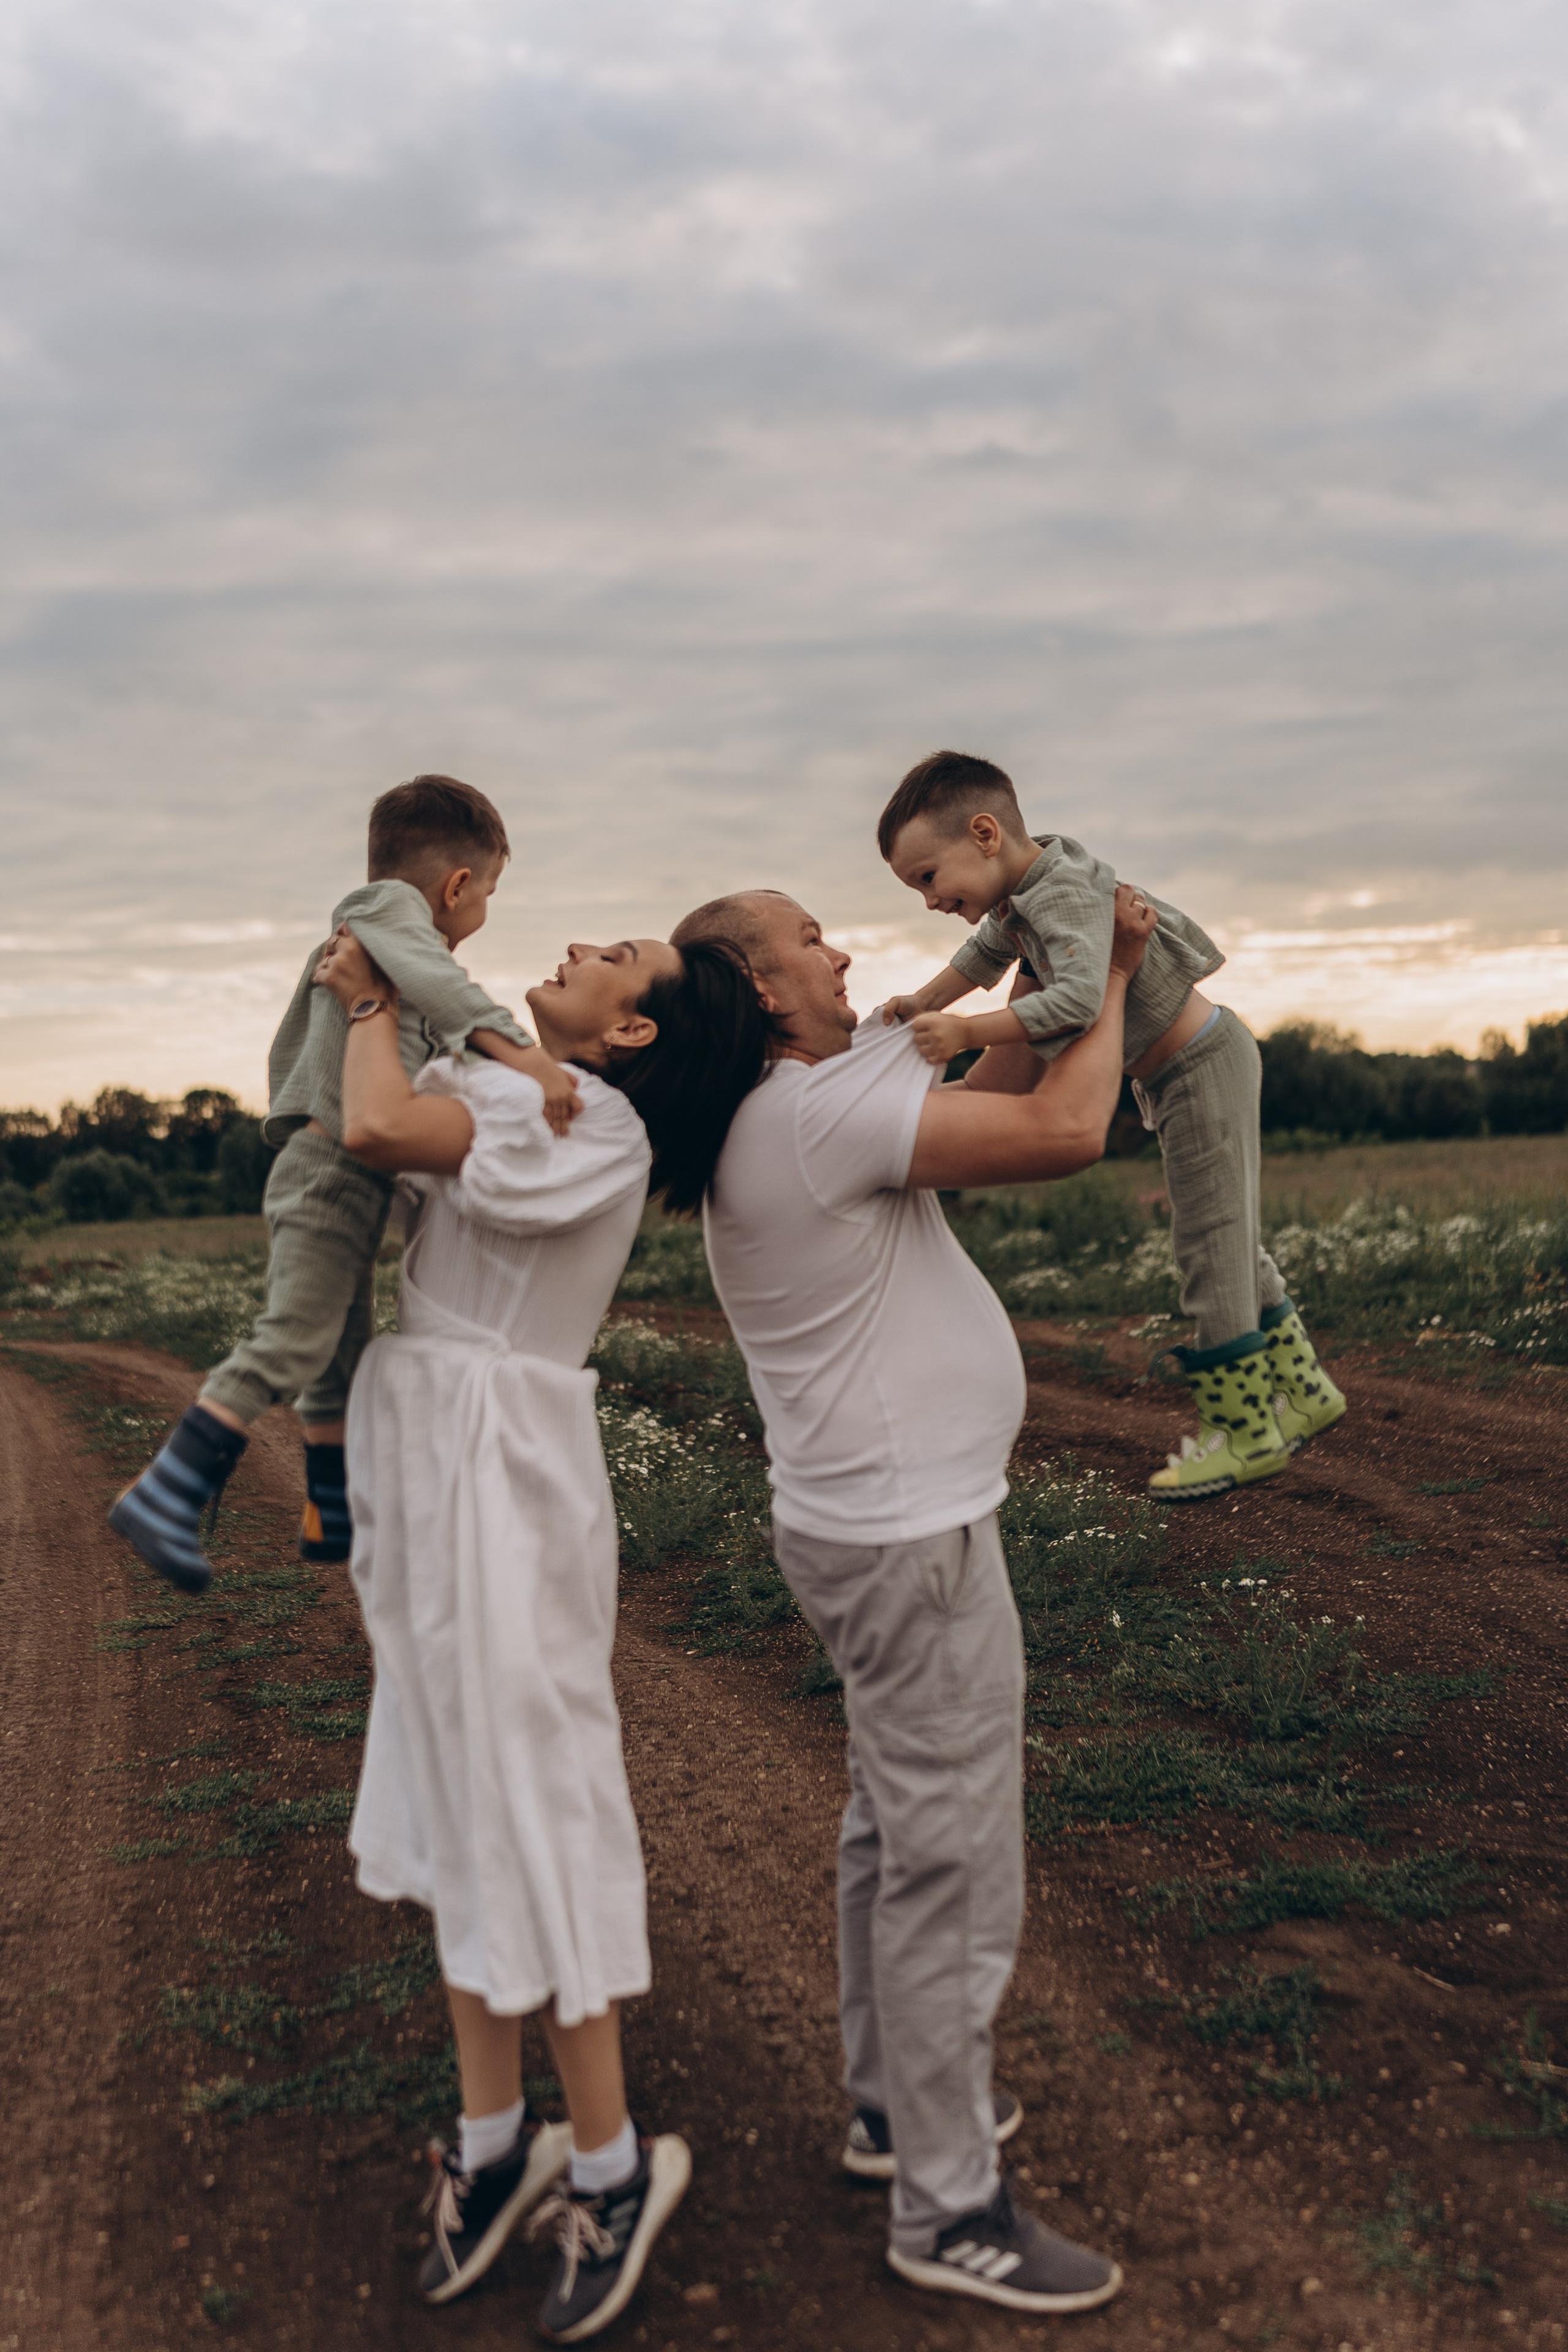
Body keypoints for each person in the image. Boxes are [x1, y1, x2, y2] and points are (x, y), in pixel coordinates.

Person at [668, 881, 1156, 2317]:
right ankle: (946, 2208)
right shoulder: (806, 1117)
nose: (842, 951)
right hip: (903, 1536)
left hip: (873, 1525)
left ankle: (892, 2107)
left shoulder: (807, 1101)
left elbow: (989, 1096)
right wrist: (1109, 975)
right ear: (763, 990)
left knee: (893, 1823)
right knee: (949, 1862)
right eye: (809, 939)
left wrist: (1026, 981)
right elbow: (1062, 1132)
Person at [313, 918, 774, 2346]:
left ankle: (616, 2166)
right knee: (457, 1790)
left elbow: (374, 1123)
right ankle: (495, 2135)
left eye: (613, 953)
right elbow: (365, 1136)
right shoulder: (521, 1087)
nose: (574, 941)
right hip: (437, 1460)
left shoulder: (590, 1124)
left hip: (501, 1481)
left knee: (532, 1796)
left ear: (630, 1031)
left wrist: (370, 995)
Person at [108, 775, 579, 1592]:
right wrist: (527, 1054)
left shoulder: (393, 958)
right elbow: (447, 993)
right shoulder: (385, 912)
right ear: (456, 886)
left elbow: (431, 1048)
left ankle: (333, 1512)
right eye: (491, 892)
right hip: (329, 1170)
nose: (486, 908)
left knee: (340, 1354)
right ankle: (166, 1492)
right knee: (295, 1336)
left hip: (349, 1178)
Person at [878, 750, 1346, 1498]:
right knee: (1226, 1232)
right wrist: (926, 1001)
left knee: (1210, 1247)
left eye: (928, 877)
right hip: (1181, 1069)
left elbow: (1077, 1004)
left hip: (1198, 1066)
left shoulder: (1061, 894)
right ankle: (1305, 1390)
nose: (929, 900)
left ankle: (1244, 1432)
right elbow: (986, 953)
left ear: (985, 834)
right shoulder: (1025, 893)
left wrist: (965, 1033)